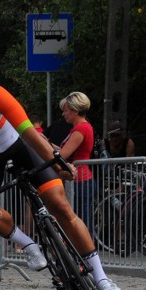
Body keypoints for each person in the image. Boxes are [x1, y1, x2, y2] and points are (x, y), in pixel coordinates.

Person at [0, 52, 122, 290]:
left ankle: (101, 278)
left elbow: (31, 134)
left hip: (21, 146)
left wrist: (58, 162)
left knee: (62, 207)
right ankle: (28, 244)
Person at [58, 92, 97, 237]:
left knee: (81, 224)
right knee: (81, 221)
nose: (63, 114)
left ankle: (86, 256)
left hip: (80, 181)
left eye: (66, 110)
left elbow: (62, 155)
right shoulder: (81, 127)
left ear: (75, 110)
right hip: (81, 180)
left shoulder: (81, 128)